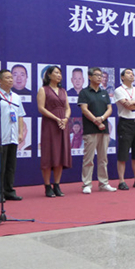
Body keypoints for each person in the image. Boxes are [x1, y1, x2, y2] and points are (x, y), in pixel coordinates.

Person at [0, 69, 26, 203]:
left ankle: (9, 191)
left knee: (10, 166)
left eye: (11, 77)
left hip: (13, 137)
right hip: (0, 137)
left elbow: (20, 116)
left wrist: (20, 133)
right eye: (7, 78)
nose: (11, 80)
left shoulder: (16, 97)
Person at [78, 67, 116, 194]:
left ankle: (103, 183)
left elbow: (109, 109)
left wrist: (102, 118)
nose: (100, 77)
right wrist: (96, 121)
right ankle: (87, 184)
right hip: (90, 130)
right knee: (88, 159)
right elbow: (84, 109)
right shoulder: (84, 92)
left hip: (103, 129)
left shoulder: (104, 93)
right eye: (97, 75)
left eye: (101, 75)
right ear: (89, 77)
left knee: (103, 159)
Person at [37, 65, 71, 198]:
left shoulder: (63, 91)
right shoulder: (43, 90)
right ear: (49, 75)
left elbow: (67, 107)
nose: (59, 75)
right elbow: (41, 108)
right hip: (50, 124)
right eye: (56, 73)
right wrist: (56, 118)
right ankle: (47, 186)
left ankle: (56, 185)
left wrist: (65, 119)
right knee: (49, 154)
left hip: (62, 125)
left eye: (60, 73)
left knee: (60, 155)